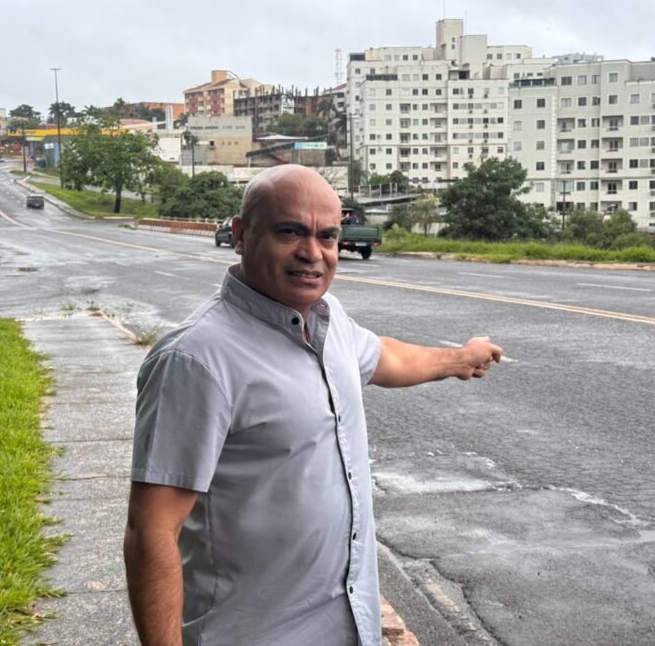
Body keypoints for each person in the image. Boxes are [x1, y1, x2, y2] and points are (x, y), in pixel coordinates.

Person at [124, 164, 502, 646]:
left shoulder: (328, 320)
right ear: (241, 235)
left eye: (327, 236)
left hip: (347, 627)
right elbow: (151, 531)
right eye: (290, 232)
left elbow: (385, 356)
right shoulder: (197, 359)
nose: (313, 253)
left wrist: (460, 359)